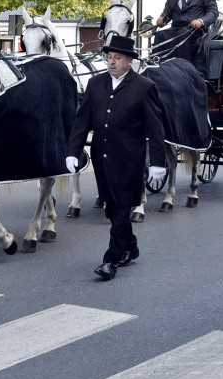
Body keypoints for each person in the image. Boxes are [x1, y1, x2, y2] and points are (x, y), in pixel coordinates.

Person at [65, 35, 167, 281]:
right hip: (101, 157)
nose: (111, 62)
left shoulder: (144, 87)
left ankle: (110, 260)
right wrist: (72, 151)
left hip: (129, 160)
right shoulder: (95, 83)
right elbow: (82, 121)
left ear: (129, 61)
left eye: (117, 58)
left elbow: (155, 128)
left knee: (122, 208)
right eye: (109, 57)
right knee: (111, 209)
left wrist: (157, 162)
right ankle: (130, 246)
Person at [154, 0, 218, 69]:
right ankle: (158, 68)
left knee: (183, 36)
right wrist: (162, 18)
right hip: (175, 29)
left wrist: (201, 21)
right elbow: (168, 11)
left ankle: (185, 70)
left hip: (195, 31)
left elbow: (213, 12)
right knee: (160, 35)